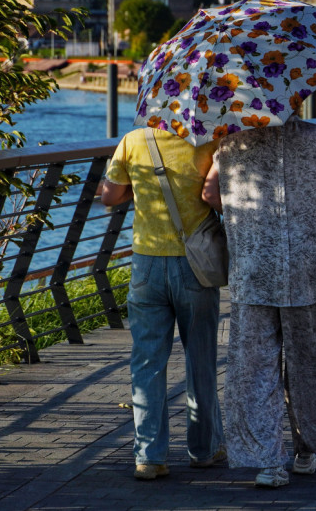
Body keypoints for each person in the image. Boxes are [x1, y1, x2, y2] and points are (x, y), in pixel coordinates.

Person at [202, 114, 316, 489]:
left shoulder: (232, 143)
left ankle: (267, 461)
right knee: (308, 363)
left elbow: (209, 194)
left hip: (253, 268)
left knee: (254, 368)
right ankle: (307, 448)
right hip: (307, 267)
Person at [100, 128, 225, 480]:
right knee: (201, 358)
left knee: (147, 360)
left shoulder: (133, 140)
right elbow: (214, 195)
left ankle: (149, 456)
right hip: (195, 264)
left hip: (146, 263)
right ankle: (204, 449)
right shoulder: (209, 141)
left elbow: (110, 197)